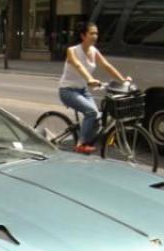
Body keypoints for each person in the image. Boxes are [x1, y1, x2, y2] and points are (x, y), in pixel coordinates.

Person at [58, 22, 131, 154]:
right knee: (91, 112)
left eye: (96, 33)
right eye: (92, 33)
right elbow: (79, 66)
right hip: (67, 90)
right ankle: (80, 144)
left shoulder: (94, 51)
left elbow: (107, 66)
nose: (95, 36)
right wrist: (90, 79)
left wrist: (123, 80)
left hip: (82, 90)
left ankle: (84, 141)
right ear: (83, 35)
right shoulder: (72, 51)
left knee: (97, 116)